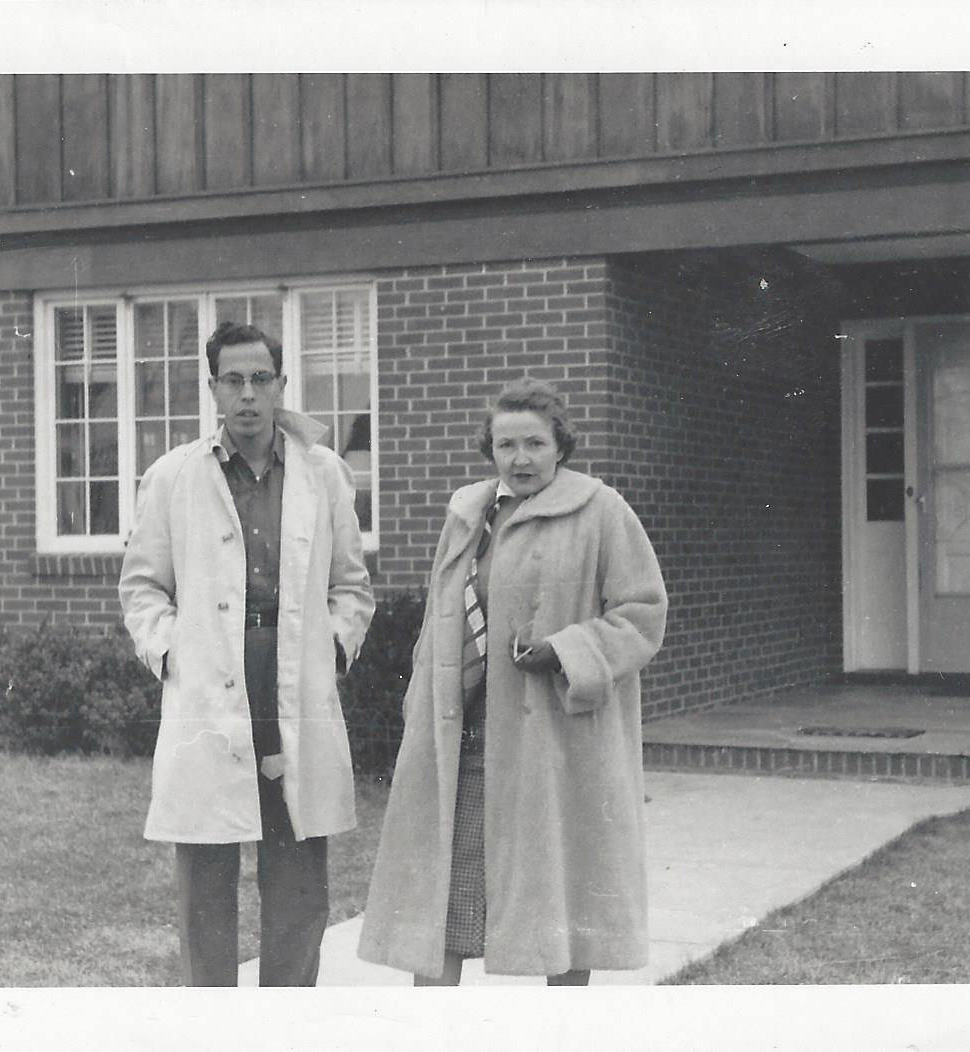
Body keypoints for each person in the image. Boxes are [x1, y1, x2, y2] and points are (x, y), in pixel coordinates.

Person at [357, 377, 668, 985]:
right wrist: (421, 699)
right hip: (463, 736)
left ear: (561, 447)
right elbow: (440, 612)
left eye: (534, 443)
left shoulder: (601, 511)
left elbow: (642, 613)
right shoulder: (468, 513)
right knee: (443, 900)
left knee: (560, 898)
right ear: (489, 450)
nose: (520, 459)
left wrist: (566, 649)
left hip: (552, 744)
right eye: (506, 445)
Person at [120, 321, 374, 987]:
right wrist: (172, 653)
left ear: (282, 384)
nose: (248, 394)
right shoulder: (174, 476)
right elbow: (143, 585)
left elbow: (350, 584)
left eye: (261, 379)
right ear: (212, 389)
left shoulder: (323, 474)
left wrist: (335, 654)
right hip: (209, 680)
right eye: (232, 380)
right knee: (205, 876)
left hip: (293, 676)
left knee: (297, 881)